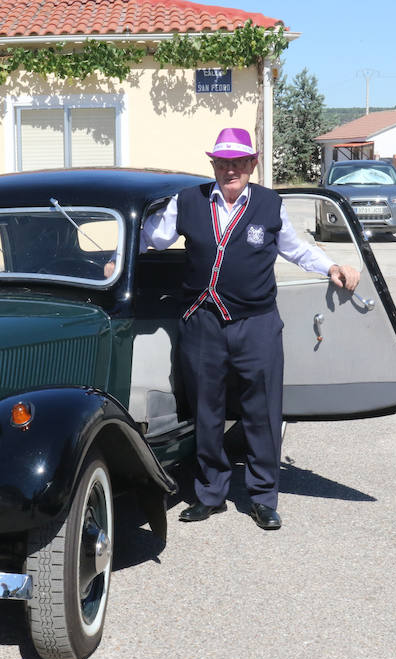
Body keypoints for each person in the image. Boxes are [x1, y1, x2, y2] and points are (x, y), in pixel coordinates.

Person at [130, 128, 359, 530]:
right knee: (206, 410)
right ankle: (210, 493)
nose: (230, 169)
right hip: (202, 321)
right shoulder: (189, 201)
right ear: (214, 165)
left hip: (256, 323)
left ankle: (263, 496)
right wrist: (122, 254)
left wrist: (332, 266)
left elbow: (296, 248)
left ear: (252, 164)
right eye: (223, 162)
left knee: (262, 411)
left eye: (239, 162)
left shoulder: (270, 205)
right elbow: (155, 238)